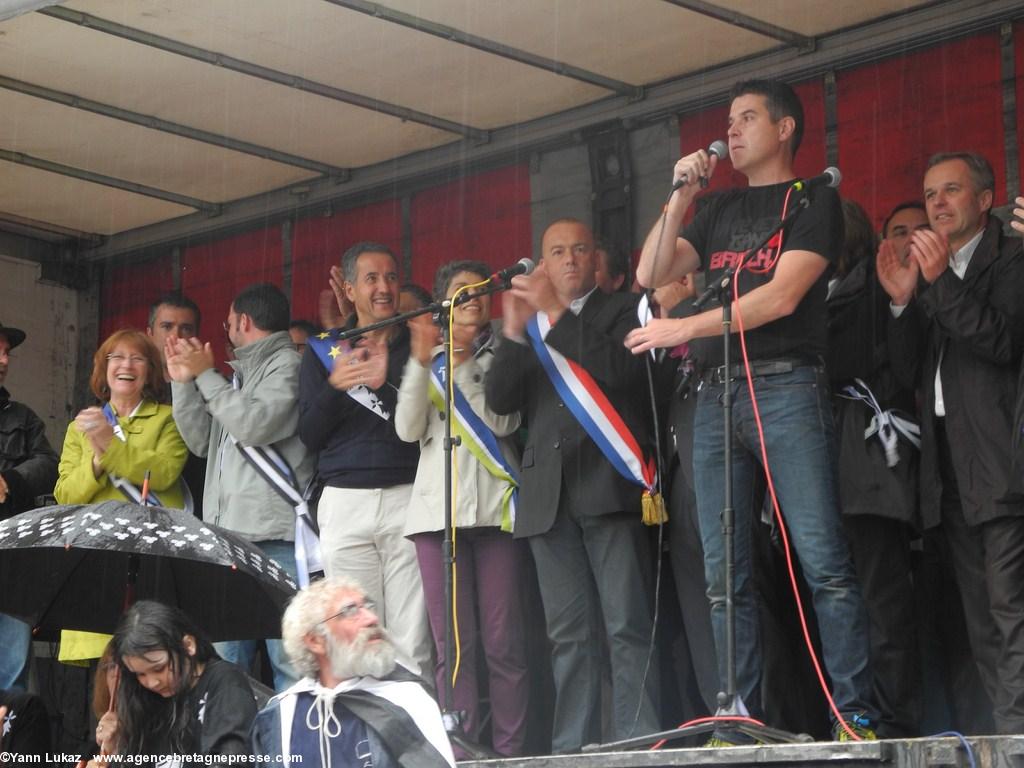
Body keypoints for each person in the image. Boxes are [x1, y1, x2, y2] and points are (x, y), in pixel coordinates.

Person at [626, 79, 876, 742]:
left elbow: (783, 297)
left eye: (746, 118)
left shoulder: (814, 199)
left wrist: (686, 329)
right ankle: (737, 719)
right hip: (716, 394)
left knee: (821, 560)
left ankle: (853, 715)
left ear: (786, 127)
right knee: (723, 575)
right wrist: (681, 194)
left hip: (785, 387)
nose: (731, 131)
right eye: (727, 121)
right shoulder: (720, 207)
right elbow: (652, 272)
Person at [485, 218, 660, 752]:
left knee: (627, 625)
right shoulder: (528, 324)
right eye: (556, 252)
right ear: (541, 264)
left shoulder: (623, 309)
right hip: (548, 499)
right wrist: (515, 333)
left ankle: (638, 742)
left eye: (579, 250)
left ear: (595, 259)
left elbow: (624, 373)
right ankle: (572, 748)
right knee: (567, 636)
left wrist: (555, 315)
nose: (568, 260)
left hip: (609, 487)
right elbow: (501, 400)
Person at [878, 152, 1024, 735]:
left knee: (1010, 607)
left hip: (1001, 462)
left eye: (951, 191)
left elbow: (1002, 342)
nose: (936, 204)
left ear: (985, 199)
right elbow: (911, 370)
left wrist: (940, 284)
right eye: (930, 193)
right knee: (978, 621)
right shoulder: (934, 269)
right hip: (950, 474)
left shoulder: (1012, 258)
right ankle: (1006, 732)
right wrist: (902, 302)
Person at [395, 260, 529, 755]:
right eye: (461, 293)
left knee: (503, 643)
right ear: (442, 303)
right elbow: (407, 430)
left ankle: (511, 752)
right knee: (452, 645)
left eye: (479, 293)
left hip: (497, 513)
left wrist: (466, 362)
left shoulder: (505, 353)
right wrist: (420, 361)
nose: (473, 300)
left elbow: (504, 420)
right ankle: (463, 747)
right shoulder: (426, 362)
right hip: (437, 518)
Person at [167, 283, 313, 692]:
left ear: (243, 322)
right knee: (228, 666)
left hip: (276, 541)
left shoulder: (289, 365)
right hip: (228, 541)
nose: (226, 329)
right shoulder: (236, 378)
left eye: (228, 322)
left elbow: (252, 425)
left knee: (288, 663)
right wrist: (183, 382)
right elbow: (200, 442)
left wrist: (205, 375)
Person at [298, 242, 431, 677]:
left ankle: (412, 734)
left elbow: (420, 422)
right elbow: (309, 436)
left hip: (409, 495)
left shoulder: (417, 344)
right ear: (350, 290)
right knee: (353, 631)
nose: (383, 288)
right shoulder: (324, 350)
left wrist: (389, 381)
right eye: (371, 279)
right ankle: (362, 737)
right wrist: (336, 388)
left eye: (391, 277)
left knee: (411, 633)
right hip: (344, 500)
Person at [827, 199, 921, 737]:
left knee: (881, 599)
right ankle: (847, 714)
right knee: (839, 598)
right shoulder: (822, 291)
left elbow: (866, 364)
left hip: (865, 463)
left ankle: (892, 720)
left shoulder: (876, 282)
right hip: (826, 462)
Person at [251, 577, 455, 768]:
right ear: (315, 641)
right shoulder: (282, 713)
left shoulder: (407, 699)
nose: (371, 618)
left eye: (367, 606)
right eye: (350, 611)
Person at [100, 600, 256, 759]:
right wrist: (116, 751)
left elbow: (232, 759)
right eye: (140, 674)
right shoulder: (144, 699)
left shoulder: (224, 684)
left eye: (159, 668)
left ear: (188, 645)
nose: (153, 682)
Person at [55, 330, 187, 509]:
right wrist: (96, 462)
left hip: (150, 531)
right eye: (117, 357)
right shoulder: (80, 426)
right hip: (96, 533)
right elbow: (65, 497)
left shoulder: (169, 418)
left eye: (138, 358)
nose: (127, 365)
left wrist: (109, 446)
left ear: (149, 372)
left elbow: (165, 473)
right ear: (105, 368)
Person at [0, 321, 59, 691]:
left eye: (7, 352)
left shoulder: (23, 417)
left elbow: (49, 464)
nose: (4, 359)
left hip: (11, 558)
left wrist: (11, 480)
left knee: (12, 670)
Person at [147, 291, 205, 518]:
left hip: (196, 515)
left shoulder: (214, 388)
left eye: (186, 329)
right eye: (167, 327)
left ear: (196, 336)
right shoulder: (130, 390)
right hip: (139, 511)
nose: (175, 336)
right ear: (150, 333)